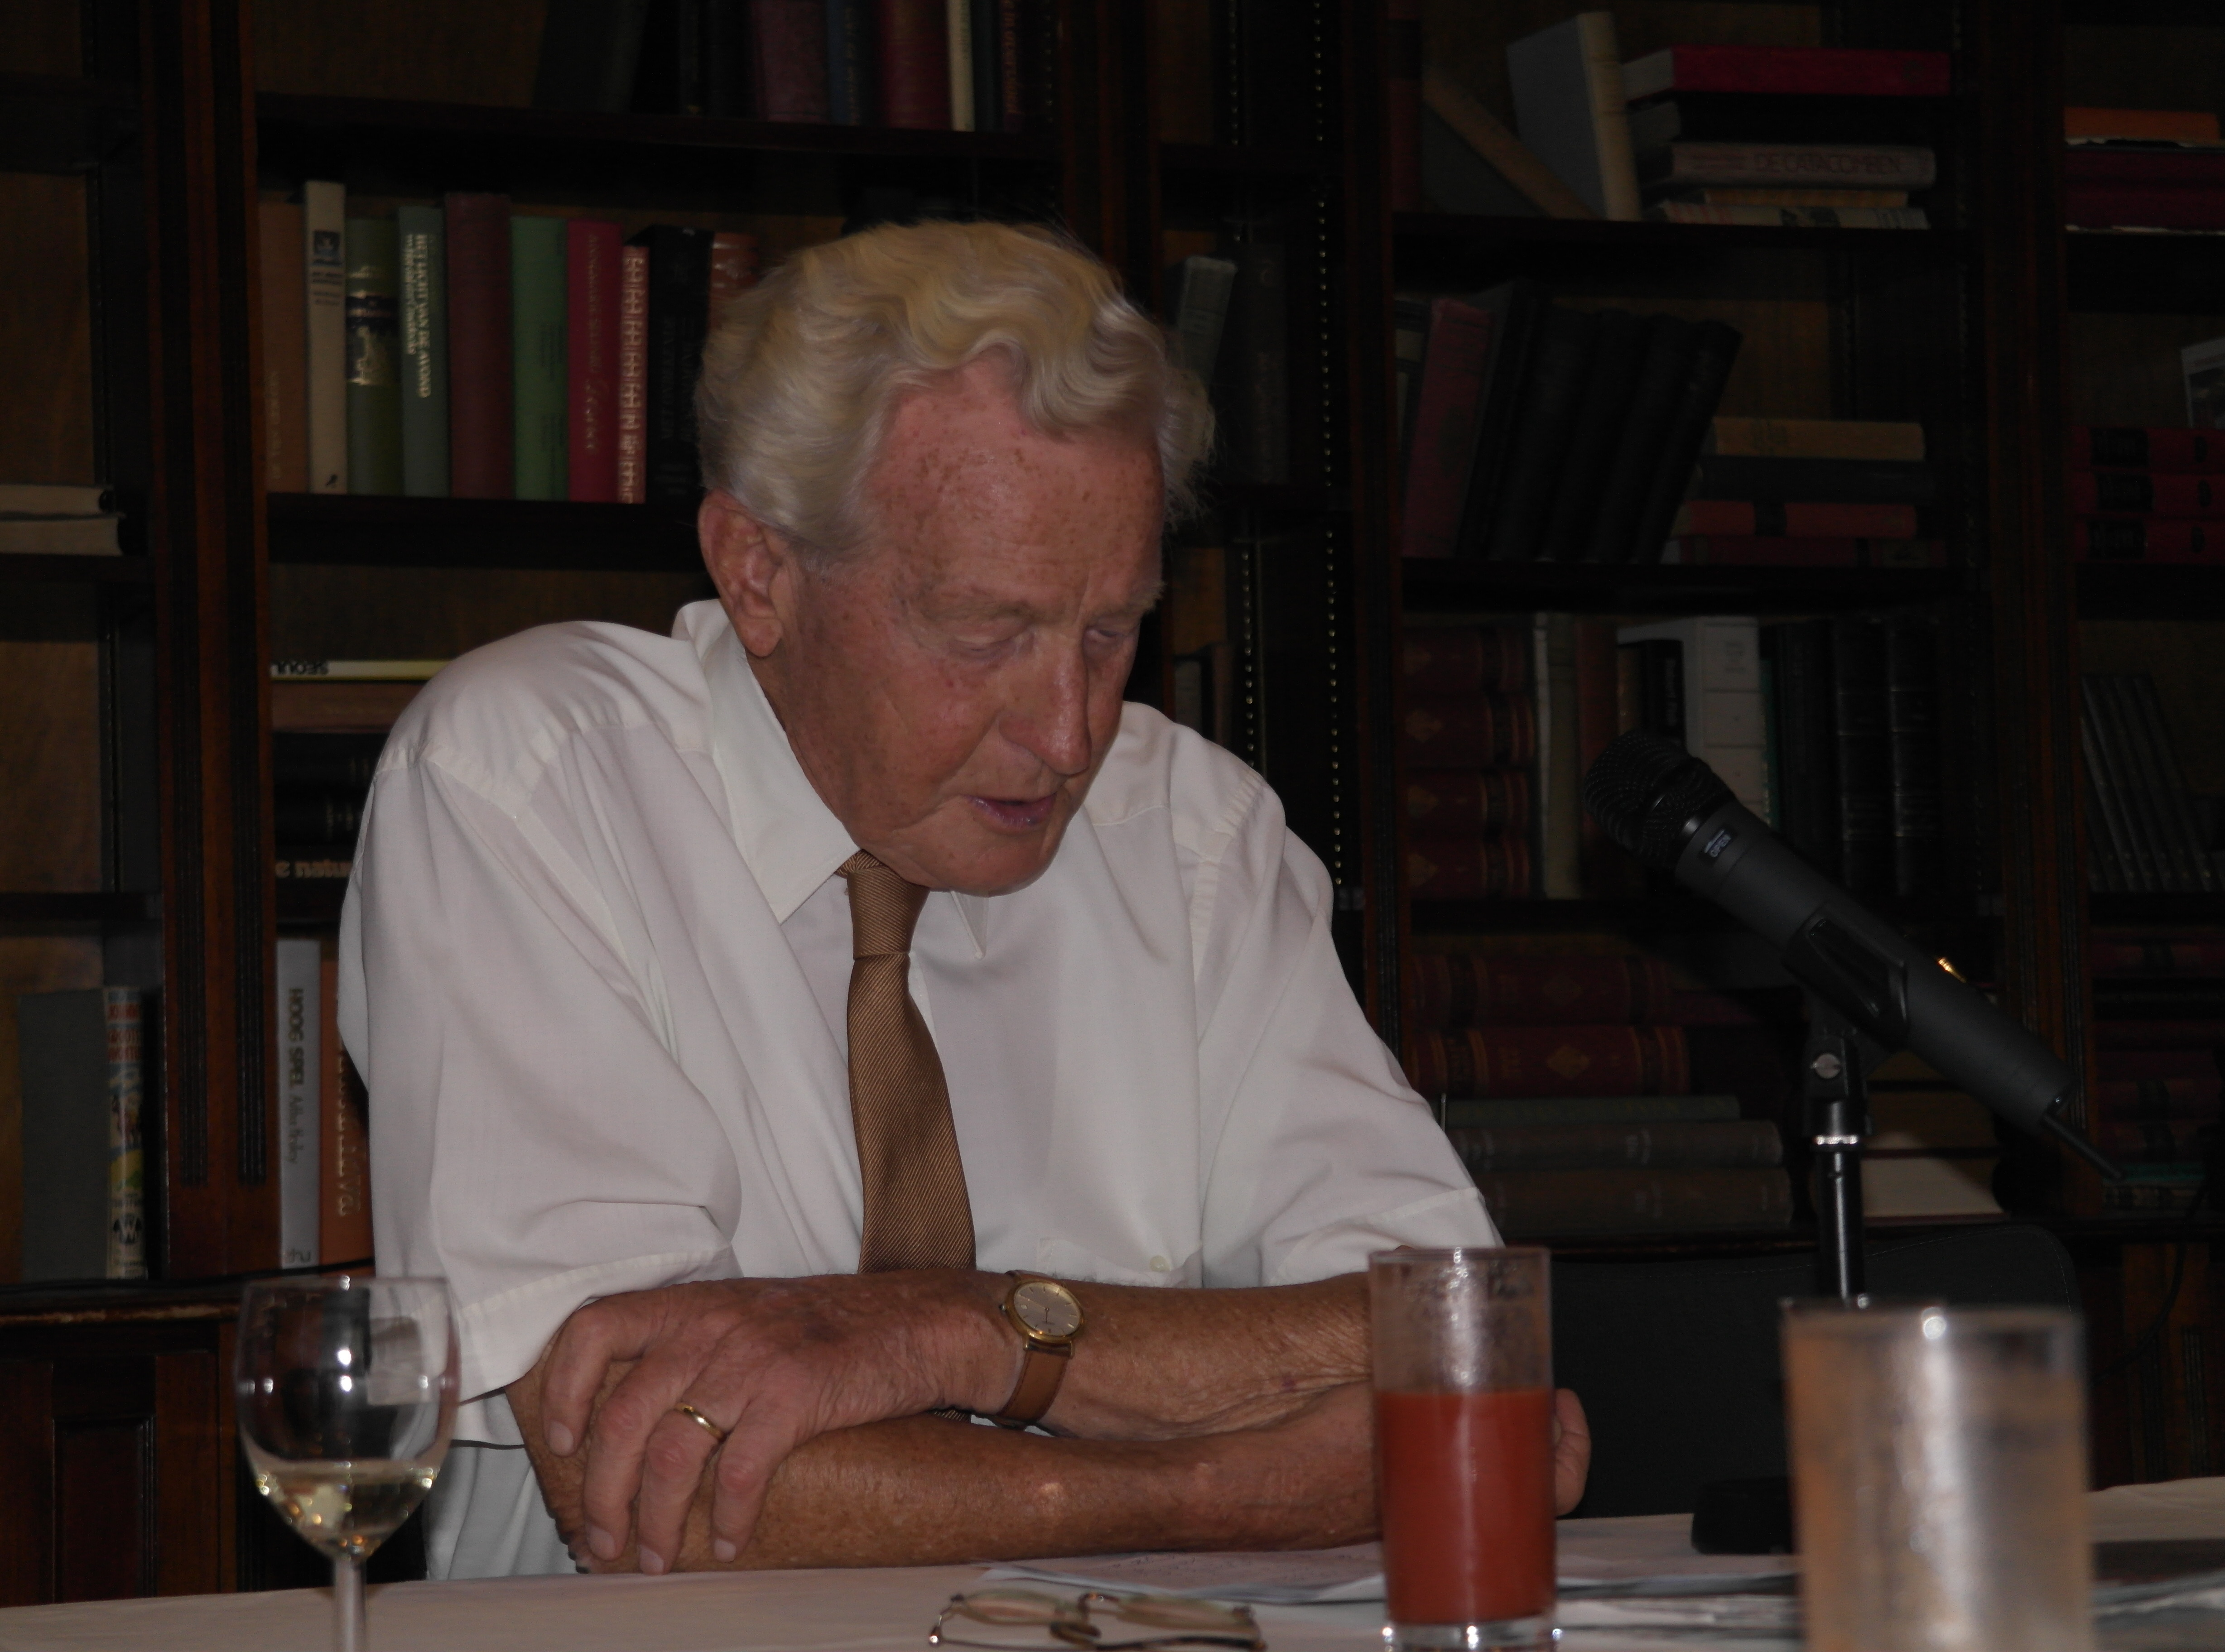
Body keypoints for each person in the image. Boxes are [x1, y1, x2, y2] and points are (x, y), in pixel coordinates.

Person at [340, 220, 1589, 1580]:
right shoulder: (532, 776)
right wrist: (1226, 1488)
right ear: (759, 573)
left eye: (1110, 631)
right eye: (987, 633)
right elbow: (660, 1491)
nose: (1069, 731)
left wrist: (965, 1333)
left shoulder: (1191, 832)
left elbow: (1478, 1366)